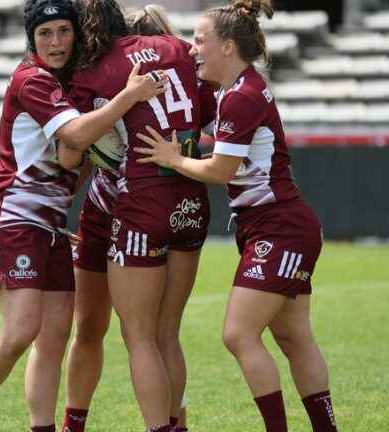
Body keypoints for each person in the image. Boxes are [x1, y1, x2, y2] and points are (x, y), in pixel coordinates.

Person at [0, 1, 165, 431]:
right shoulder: (32, 80)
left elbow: (68, 162)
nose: (56, 42)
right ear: (32, 39)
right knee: (22, 329)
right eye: (45, 34)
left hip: (48, 224)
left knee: (54, 336)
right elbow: (75, 137)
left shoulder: (70, 82)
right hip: (12, 216)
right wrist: (129, 97)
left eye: (64, 31)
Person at [135, 1, 339, 431]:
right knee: (292, 337)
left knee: (238, 334)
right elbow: (226, 152)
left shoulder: (242, 96)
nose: (192, 49)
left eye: (199, 40)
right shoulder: (236, 91)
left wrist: (172, 157)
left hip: (279, 226)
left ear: (227, 47)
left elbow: (220, 171)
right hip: (272, 225)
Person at [57, 1, 214, 430]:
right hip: (187, 199)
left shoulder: (94, 70)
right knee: (164, 333)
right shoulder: (177, 49)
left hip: (139, 202)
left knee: (138, 336)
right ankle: (174, 424)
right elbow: (206, 113)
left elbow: (69, 151)